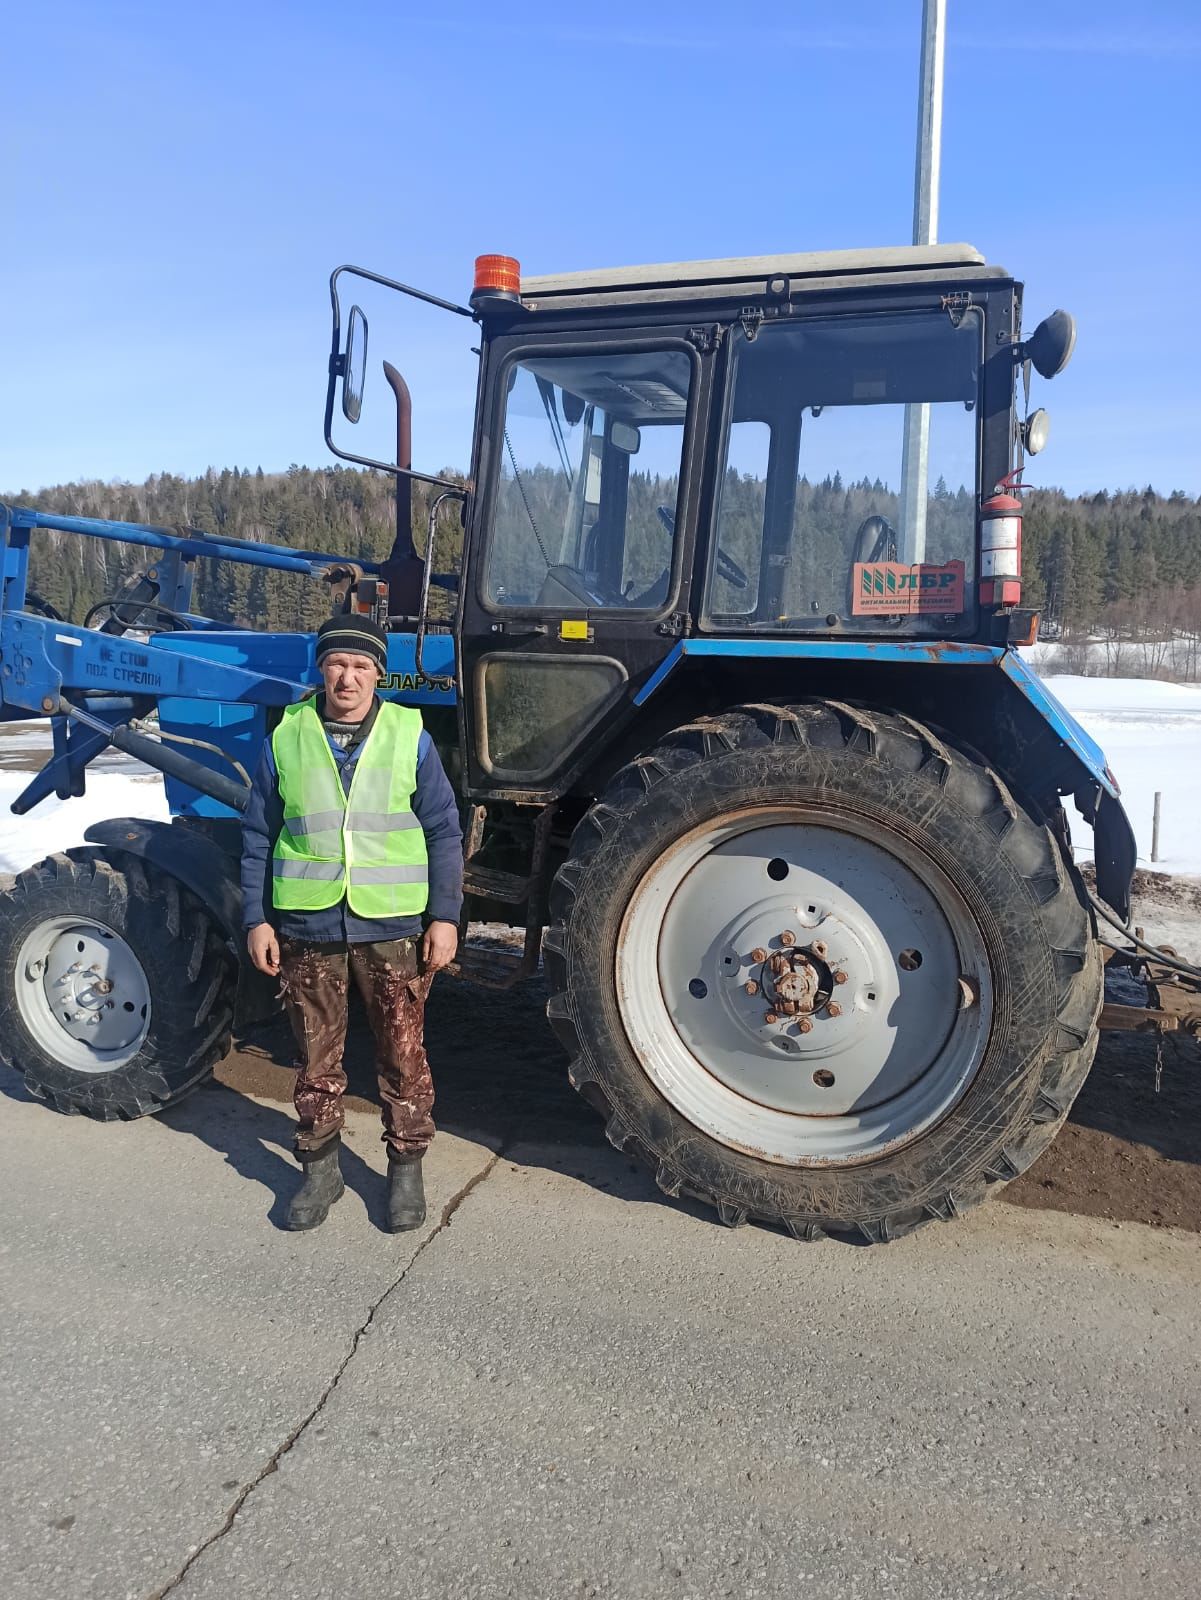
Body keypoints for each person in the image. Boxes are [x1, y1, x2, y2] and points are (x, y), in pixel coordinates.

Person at [241, 614, 463, 1233]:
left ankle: (406, 1169)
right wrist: (256, 919)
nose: (348, 676)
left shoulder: (406, 733)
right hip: (308, 926)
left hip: (392, 928)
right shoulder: (286, 737)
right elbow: (259, 833)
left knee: (403, 1055)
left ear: (377, 674)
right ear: (321, 669)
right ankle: (320, 1169)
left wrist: (444, 916)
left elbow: (444, 828)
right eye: (338, 663)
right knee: (315, 1058)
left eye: (362, 666)